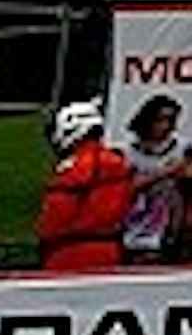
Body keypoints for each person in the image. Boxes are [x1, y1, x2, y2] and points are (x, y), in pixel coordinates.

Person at [36, 103, 133, 274]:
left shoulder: (77, 166)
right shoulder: (118, 162)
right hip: (111, 249)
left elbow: (54, 218)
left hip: (70, 253)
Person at [119, 94, 190, 266]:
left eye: (171, 120)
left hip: (165, 227)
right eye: (162, 120)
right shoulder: (129, 153)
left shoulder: (181, 148)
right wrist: (164, 172)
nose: (167, 126)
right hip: (134, 225)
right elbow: (127, 187)